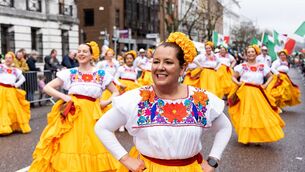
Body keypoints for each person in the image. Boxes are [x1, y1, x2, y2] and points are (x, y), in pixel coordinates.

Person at [95, 32, 232, 172]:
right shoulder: (136, 98)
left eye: (168, 62)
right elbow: (102, 127)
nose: (160, 67)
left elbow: (225, 127)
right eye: (156, 61)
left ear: (182, 68)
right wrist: (125, 159)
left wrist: (213, 160)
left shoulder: (200, 99)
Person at [29, 41, 120, 171]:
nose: (81, 54)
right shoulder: (70, 73)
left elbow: (116, 92)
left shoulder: (101, 74)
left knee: (94, 146)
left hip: (92, 116)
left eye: (84, 51)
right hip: (73, 115)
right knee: (70, 145)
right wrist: (64, 96)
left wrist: (105, 102)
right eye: (79, 51)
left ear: (91, 55)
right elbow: (48, 87)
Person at [228, 45, 285, 144]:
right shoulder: (242, 66)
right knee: (246, 114)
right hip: (245, 93)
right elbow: (233, 77)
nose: (250, 54)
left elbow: (271, 76)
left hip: (258, 93)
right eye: (248, 52)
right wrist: (237, 83)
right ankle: (246, 137)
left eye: (252, 52)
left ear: (256, 53)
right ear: (246, 54)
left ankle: (258, 137)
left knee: (258, 114)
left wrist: (265, 85)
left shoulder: (262, 66)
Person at [0, 52, 31, 134]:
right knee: (2, 108)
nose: (7, 59)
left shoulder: (16, 70)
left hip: (11, 91)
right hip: (1, 90)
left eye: (9, 58)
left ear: (13, 59)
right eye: (6, 58)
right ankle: (3, 127)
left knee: (11, 109)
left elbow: (23, 78)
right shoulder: (1, 67)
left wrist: (16, 84)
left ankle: (10, 126)